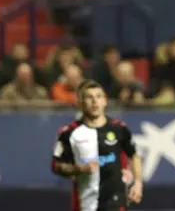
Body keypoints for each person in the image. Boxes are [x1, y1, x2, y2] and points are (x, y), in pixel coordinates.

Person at [51, 80, 143, 211]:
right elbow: (56, 165)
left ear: (105, 101)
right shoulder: (68, 133)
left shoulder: (119, 129)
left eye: (99, 97)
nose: (95, 101)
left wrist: (138, 183)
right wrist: (78, 169)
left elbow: (134, 155)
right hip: (85, 203)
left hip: (116, 202)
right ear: (81, 103)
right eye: (89, 97)